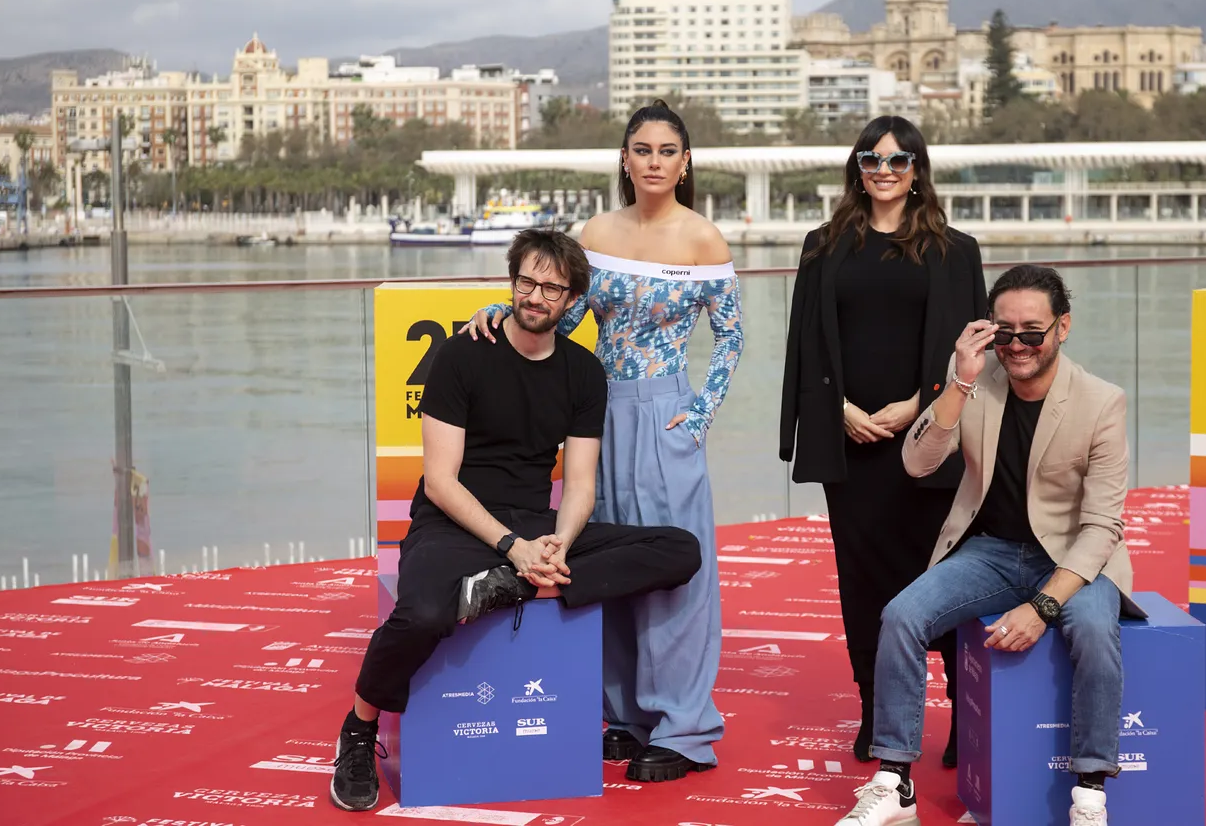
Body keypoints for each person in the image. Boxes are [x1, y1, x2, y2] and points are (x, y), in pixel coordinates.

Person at [330, 229, 704, 812]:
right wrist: (510, 545)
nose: (536, 296)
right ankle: (359, 729)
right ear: (512, 282)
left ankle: (511, 585)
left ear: (571, 299)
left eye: (552, 288)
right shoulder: (461, 355)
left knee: (679, 548)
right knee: (424, 612)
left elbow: (580, 485)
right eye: (527, 282)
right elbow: (440, 482)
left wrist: (558, 544)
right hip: (453, 523)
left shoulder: (583, 372)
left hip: (534, 526)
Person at [461, 99, 742, 783]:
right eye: (642, 150)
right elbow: (568, 315)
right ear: (625, 158)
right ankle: (623, 715)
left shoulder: (703, 238)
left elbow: (730, 337)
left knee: (674, 569)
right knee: (603, 556)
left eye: (667, 151)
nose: (654, 162)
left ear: (685, 162)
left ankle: (683, 728)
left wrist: (699, 414)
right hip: (595, 415)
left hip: (667, 416)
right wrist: (506, 309)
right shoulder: (597, 231)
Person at [835, 264, 1144, 826]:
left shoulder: (1102, 401)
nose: (1017, 345)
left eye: (1033, 332)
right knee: (901, 615)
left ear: (1063, 327)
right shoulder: (975, 384)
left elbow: (1102, 526)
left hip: (1072, 556)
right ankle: (895, 783)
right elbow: (916, 462)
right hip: (992, 551)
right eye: (1005, 332)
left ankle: (1090, 794)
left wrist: (1042, 606)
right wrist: (959, 382)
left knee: (1095, 631)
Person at [778, 115, 986, 766]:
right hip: (852, 447)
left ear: (917, 170)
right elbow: (805, 344)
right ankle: (876, 710)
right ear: (857, 169)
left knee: (943, 579)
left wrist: (920, 405)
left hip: (931, 442)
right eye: (872, 160)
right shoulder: (823, 246)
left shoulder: (956, 251)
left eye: (898, 161)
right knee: (863, 584)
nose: (885, 171)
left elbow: (973, 351)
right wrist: (837, 409)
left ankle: (963, 715)